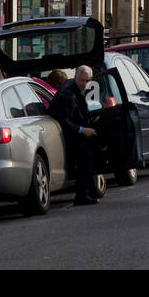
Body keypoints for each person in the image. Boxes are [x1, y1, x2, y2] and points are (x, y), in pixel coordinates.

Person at [48, 65, 99, 205]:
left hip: (74, 129)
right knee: (85, 156)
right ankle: (82, 195)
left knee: (91, 154)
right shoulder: (67, 95)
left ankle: (90, 191)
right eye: (82, 80)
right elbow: (63, 121)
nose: (85, 84)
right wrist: (82, 130)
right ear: (75, 77)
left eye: (88, 81)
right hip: (64, 133)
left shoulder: (77, 89)